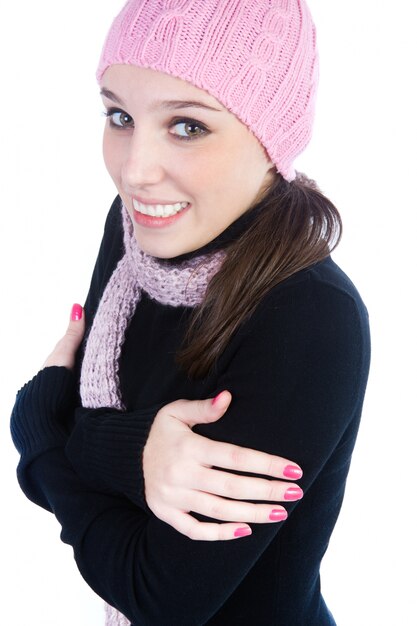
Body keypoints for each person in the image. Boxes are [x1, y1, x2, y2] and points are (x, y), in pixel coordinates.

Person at [10, 1, 371, 624]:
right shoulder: (135, 231)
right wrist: (130, 452)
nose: (134, 170)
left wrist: (43, 441)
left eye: (187, 126)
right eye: (119, 115)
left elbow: (161, 597)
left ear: (270, 138)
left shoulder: (311, 318)